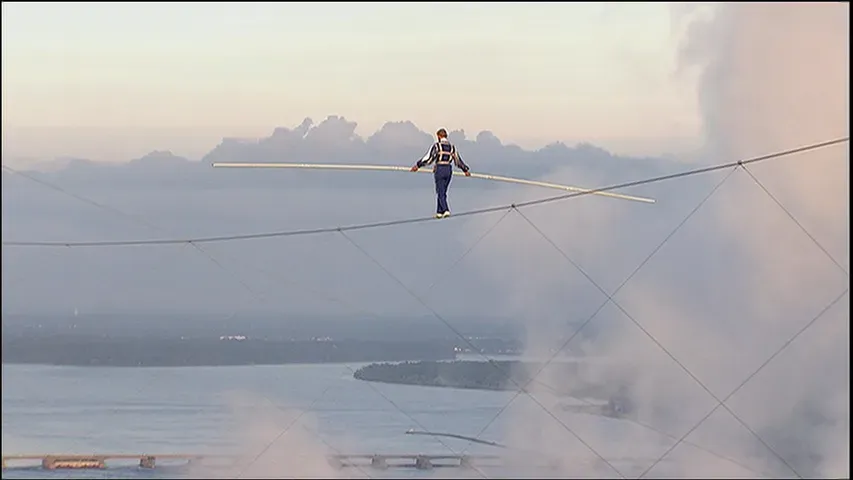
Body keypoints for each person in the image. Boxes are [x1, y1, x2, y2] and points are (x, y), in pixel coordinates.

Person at [411, 128, 471, 218]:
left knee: (440, 191)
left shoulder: (437, 146)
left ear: (439, 136)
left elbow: (429, 158)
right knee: (442, 191)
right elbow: (458, 161)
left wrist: (418, 165)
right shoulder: (452, 147)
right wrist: (465, 170)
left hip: (440, 169)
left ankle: (445, 209)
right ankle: (439, 211)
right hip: (448, 170)